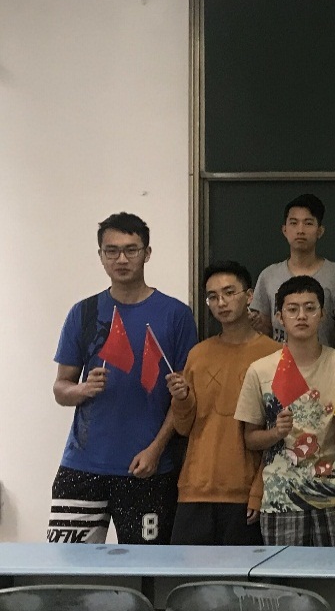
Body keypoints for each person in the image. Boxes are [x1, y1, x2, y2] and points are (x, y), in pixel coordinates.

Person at [48, 213, 198, 544]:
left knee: (147, 569)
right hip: (82, 465)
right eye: (112, 251)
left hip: (148, 466)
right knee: (67, 567)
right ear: (101, 256)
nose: (121, 259)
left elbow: (184, 397)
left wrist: (156, 449)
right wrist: (82, 389)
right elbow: (60, 388)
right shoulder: (84, 312)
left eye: (131, 250)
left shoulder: (176, 315)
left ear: (147, 253)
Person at [236, 275, 335, 546]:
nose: (301, 316)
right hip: (281, 499)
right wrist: (275, 433)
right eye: (292, 309)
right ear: (279, 317)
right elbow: (250, 439)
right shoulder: (260, 370)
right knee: (284, 574)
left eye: (310, 308)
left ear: (322, 314)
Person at [170, 262, 279, 545]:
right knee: (185, 572)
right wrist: (181, 399)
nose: (221, 302)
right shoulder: (198, 354)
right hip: (195, 489)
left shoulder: (275, 355)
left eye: (229, 293)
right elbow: (183, 427)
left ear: (249, 295)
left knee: (241, 575)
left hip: (245, 493)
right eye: (213, 297)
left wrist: (259, 489)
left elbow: (281, 436)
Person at [250, 194, 335, 348]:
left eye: (308, 223)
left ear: (320, 231)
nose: (300, 230)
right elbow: (262, 331)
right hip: (279, 360)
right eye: (294, 223)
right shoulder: (268, 276)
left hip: (324, 360)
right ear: (284, 230)